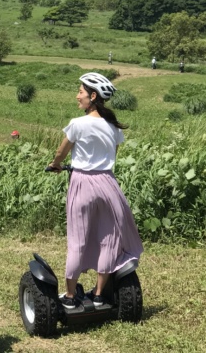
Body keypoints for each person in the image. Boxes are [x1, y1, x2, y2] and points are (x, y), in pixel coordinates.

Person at [47, 72, 143, 309]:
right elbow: (112, 156)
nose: (77, 96)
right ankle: (99, 294)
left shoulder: (77, 124)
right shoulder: (112, 127)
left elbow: (61, 153)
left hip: (82, 183)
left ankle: (70, 297)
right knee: (109, 239)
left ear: (92, 96)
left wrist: (56, 164)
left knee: (77, 241)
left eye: (80, 92)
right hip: (108, 184)